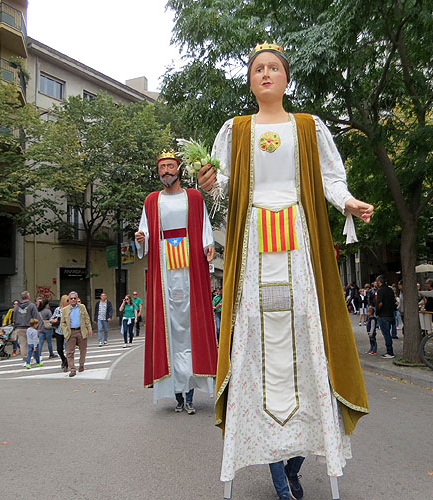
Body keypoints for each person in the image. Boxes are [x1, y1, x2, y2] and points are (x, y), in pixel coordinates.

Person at [198, 42, 371, 499]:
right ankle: (275, 462)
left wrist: (347, 201)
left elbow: (331, 177)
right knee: (253, 338)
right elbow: (226, 189)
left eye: (274, 67)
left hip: (298, 240)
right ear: (250, 81)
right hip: (255, 241)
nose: (266, 73)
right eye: (258, 69)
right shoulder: (234, 130)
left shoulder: (309, 126)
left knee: (308, 337)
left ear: (286, 79)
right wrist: (211, 184)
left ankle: (295, 457)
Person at [135, 149, 218, 416]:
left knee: (190, 328)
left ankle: (190, 393)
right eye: (162, 168)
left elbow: (204, 226)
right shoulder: (152, 200)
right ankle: (177, 396)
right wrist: (141, 238)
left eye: (170, 166)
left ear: (178, 169)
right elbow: (145, 231)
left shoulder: (193, 197)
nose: (165, 172)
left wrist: (208, 244)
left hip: (190, 267)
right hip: (164, 270)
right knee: (169, 329)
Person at [60, 291, 93, 378]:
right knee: (70, 352)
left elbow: (87, 319)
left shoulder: (82, 307)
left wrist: (89, 329)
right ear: (69, 299)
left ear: (77, 299)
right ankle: (72, 369)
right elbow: (62, 322)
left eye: (75, 298)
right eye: (71, 298)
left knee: (83, 350)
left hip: (81, 331)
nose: (73, 300)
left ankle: (81, 364)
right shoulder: (65, 310)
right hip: (71, 332)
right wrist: (66, 332)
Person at [12, 291, 40, 358]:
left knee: (23, 344)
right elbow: (36, 316)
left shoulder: (17, 307)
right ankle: (34, 356)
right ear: (28, 297)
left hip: (19, 327)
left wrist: (16, 325)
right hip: (30, 327)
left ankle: (26, 358)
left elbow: (14, 317)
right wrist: (37, 327)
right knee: (33, 342)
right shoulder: (32, 305)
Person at [375, 275, 396, 359]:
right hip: (390, 313)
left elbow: (380, 303)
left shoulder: (380, 290)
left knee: (386, 334)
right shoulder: (390, 290)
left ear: (379, 281)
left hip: (383, 314)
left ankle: (390, 351)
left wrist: (377, 312)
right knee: (388, 333)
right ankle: (390, 350)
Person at [50, 295, 69, 372]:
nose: (69, 302)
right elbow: (51, 318)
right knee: (59, 349)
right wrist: (53, 320)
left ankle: (66, 364)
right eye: (67, 300)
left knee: (67, 349)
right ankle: (64, 360)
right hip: (59, 331)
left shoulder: (70, 309)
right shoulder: (58, 310)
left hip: (67, 331)